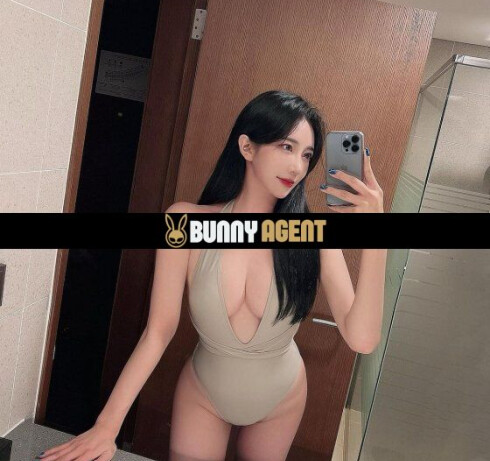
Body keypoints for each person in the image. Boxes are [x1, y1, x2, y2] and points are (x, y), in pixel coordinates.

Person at [37, 90, 386, 461]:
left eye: (306, 155)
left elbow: (362, 340)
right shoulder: (184, 222)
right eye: (286, 147)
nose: (298, 167)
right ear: (247, 146)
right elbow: (159, 331)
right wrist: (107, 427)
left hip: (281, 397)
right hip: (204, 394)